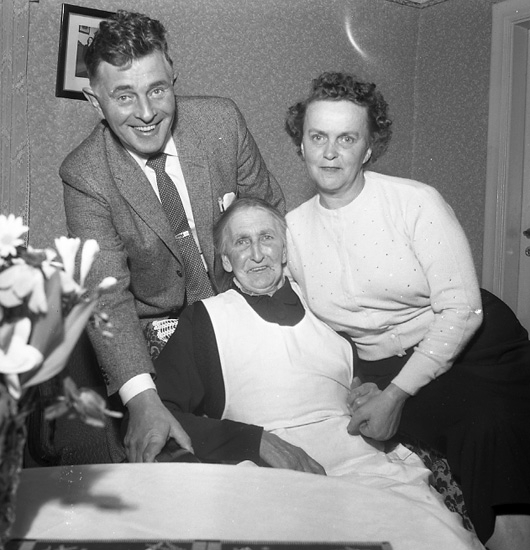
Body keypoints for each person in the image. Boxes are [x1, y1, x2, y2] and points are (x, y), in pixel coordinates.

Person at [284, 72, 530, 550]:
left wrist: (395, 395)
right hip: (385, 364)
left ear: (368, 148)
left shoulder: (415, 201)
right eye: (318, 137)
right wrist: (357, 381)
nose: (330, 153)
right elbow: (321, 331)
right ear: (301, 144)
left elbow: (461, 309)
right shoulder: (292, 230)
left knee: (489, 425)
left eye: (347, 138)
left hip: (474, 347)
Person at [153, 197, 482, 549]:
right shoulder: (204, 320)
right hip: (272, 476)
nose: (258, 254)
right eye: (242, 242)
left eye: (267, 238)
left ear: (285, 251)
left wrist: (374, 392)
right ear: (226, 260)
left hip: (366, 466)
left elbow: (378, 372)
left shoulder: (328, 303)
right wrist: (254, 441)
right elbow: (157, 418)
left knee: (439, 538)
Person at [60, 10, 285, 464]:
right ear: (94, 100)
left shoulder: (222, 123)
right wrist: (143, 400)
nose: (147, 113)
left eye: (157, 90)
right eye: (124, 96)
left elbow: (269, 217)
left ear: (173, 79)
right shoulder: (84, 174)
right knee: (176, 460)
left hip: (246, 311)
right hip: (158, 340)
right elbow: (105, 295)